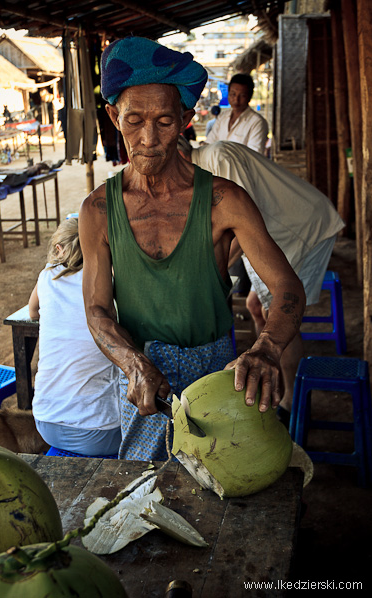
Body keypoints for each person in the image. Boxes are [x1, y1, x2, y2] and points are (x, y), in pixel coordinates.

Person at [79, 37, 305, 462]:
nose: (148, 138)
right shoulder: (97, 211)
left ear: (185, 119)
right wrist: (132, 363)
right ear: (113, 116)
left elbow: (287, 286)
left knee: (227, 489)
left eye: (164, 121)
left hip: (219, 377)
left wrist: (267, 347)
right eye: (134, 120)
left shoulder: (225, 201)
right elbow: (97, 311)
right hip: (146, 384)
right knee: (148, 500)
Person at [180, 139, 345, 422]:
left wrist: (205, 276)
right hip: (278, 233)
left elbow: (243, 224)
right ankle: (270, 378)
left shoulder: (217, 158)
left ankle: (292, 405)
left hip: (300, 229)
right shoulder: (203, 171)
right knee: (256, 306)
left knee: (278, 315)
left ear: (180, 153)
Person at [29, 218, 121, 456]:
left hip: (46, 422)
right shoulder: (109, 283)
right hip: (100, 432)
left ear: (58, 249)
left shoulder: (47, 277)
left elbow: (32, 311)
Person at [205, 74, 268, 155]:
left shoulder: (257, 122)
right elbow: (209, 142)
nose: (236, 100)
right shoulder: (222, 117)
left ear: (249, 97)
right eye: (233, 94)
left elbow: (254, 156)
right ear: (228, 94)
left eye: (242, 96)